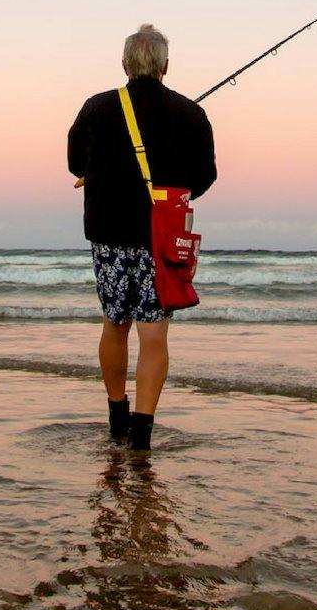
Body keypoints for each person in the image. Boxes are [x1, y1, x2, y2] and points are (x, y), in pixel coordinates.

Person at [67, 24, 217, 451]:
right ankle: (142, 435)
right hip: (161, 237)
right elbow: (204, 177)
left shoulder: (96, 109)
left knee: (115, 323)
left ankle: (116, 416)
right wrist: (168, 192)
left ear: (125, 65)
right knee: (155, 335)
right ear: (166, 66)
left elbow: (75, 161)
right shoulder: (191, 114)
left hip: (109, 235)